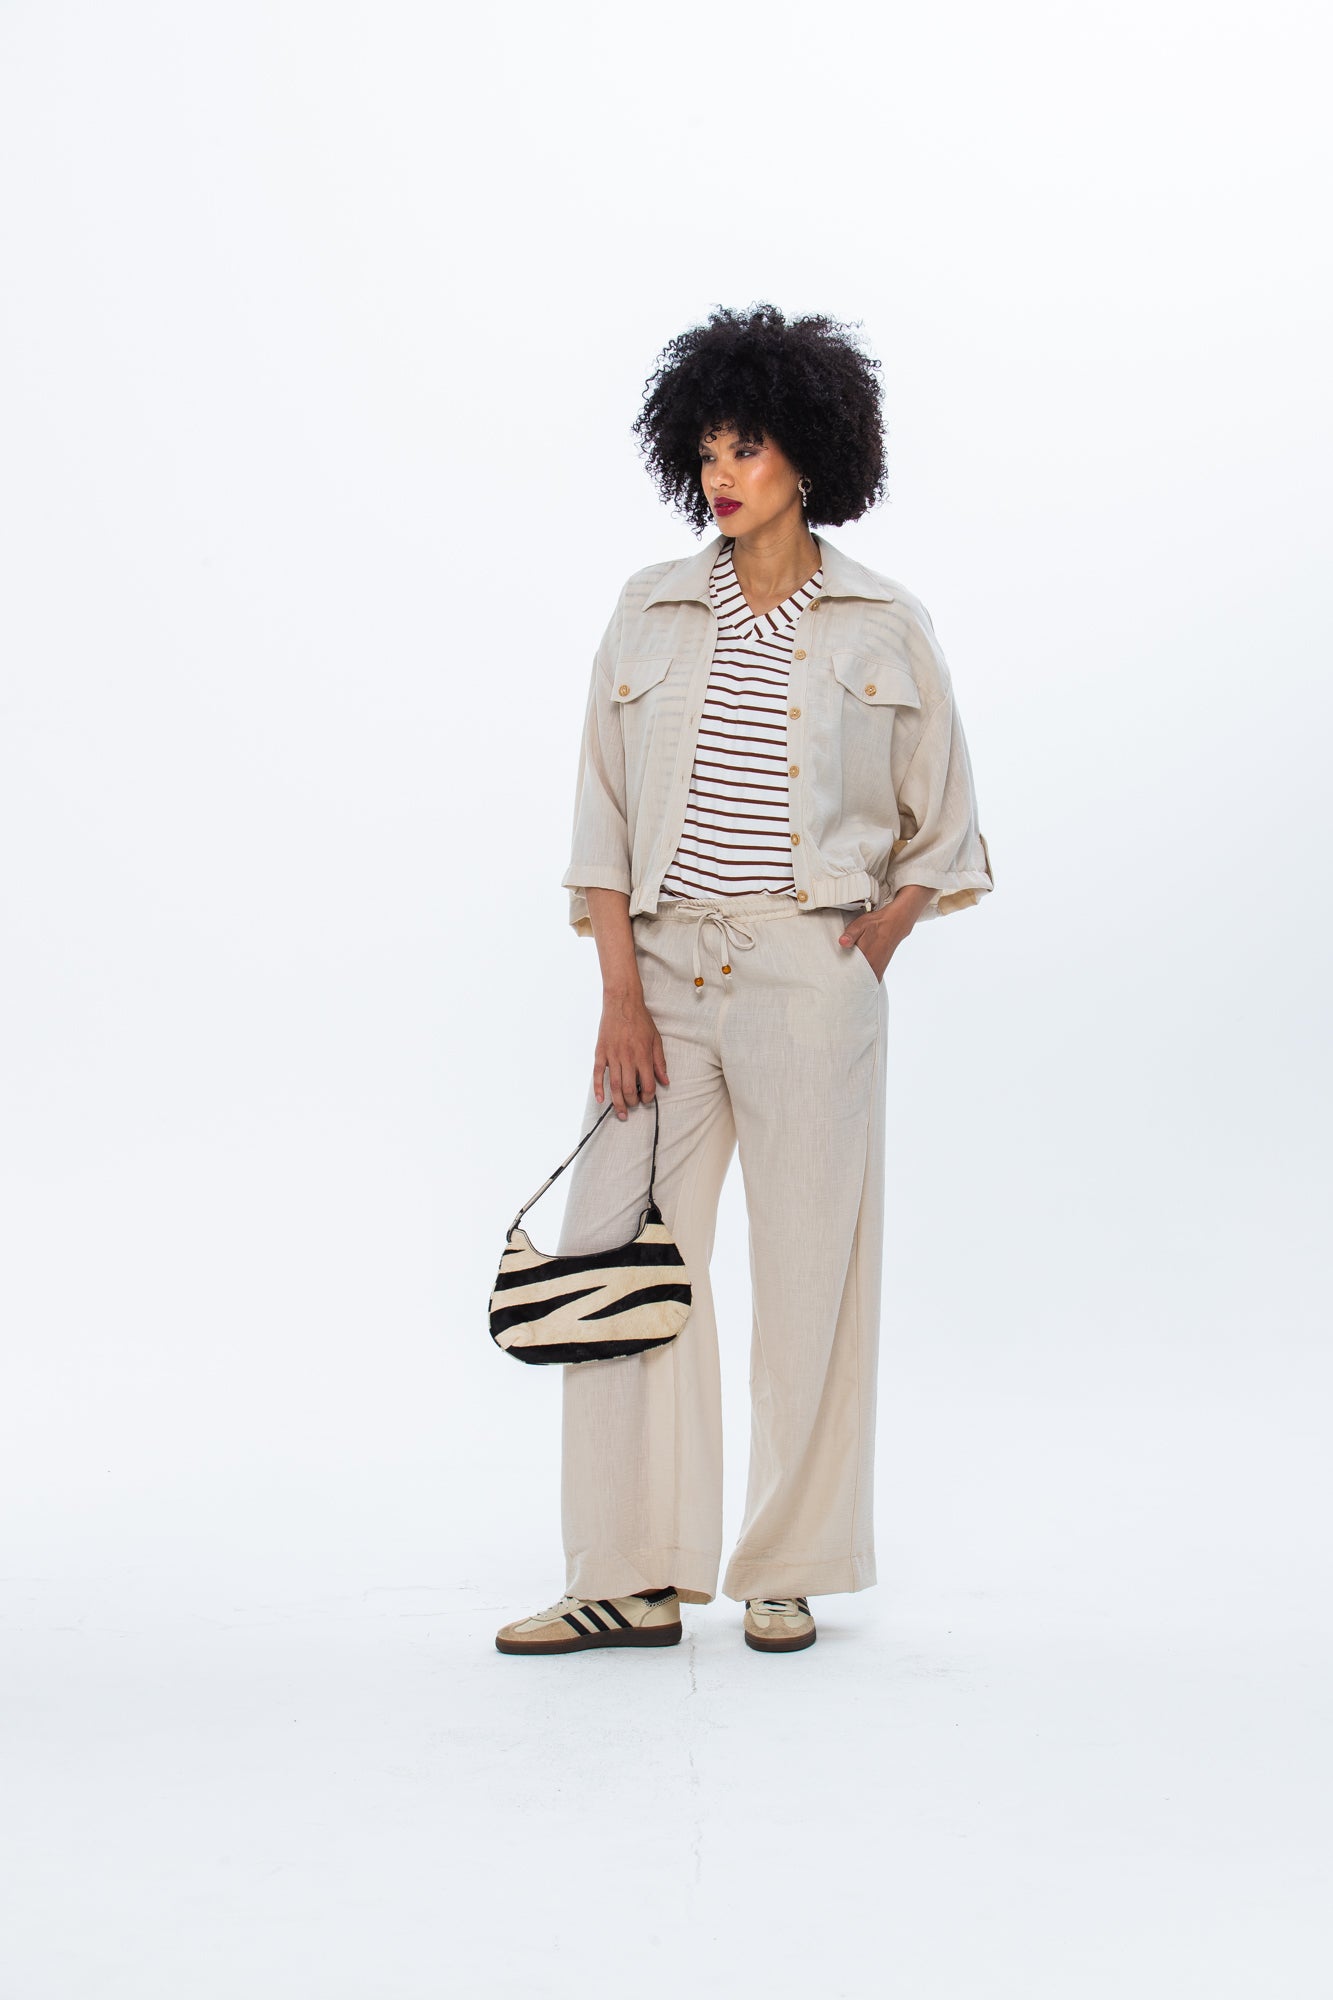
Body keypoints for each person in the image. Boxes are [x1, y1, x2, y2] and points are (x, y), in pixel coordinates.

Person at [495, 303, 993, 1659]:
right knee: (617, 1247)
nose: (721, 474)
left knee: (810, 1262)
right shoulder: (647, 609)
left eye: (748, 447)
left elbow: (944, 824)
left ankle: (785, 1563)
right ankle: (626, 1572)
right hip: (658, 971)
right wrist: (619, 995)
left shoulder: (884, 623)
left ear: (809, 457)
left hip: (806, 973)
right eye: (706, 450)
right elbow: (599, 821)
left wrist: (875, 940)